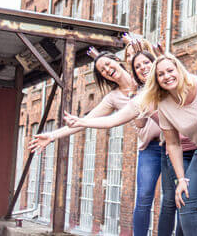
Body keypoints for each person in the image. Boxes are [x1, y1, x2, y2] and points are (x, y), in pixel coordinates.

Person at [57, 43, 178, 236]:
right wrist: (51, 135)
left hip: (174, 144)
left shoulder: (146, 76)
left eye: (107, 65)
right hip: (150, 148)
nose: (106, 70)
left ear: (118, 60)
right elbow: (85, 122)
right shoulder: (113, 98)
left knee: (171, 198)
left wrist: (140, 51)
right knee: (144, 196)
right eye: (102, 71)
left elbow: (160, 66)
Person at [137, 53, 197, 235]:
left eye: (170, 70)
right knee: (187, 201)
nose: (166, 76)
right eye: (160, 74)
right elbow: (173, 144)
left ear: (179, 69)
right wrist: (181, 180)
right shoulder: (162, 103)